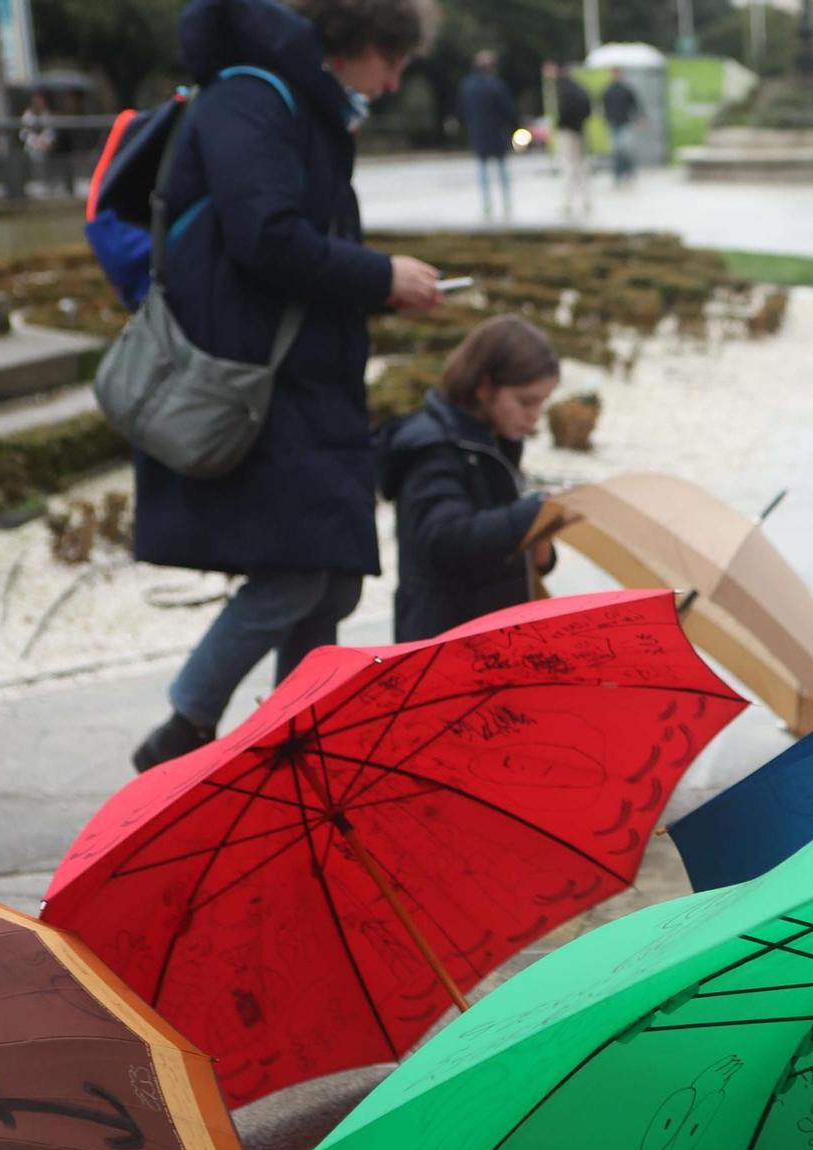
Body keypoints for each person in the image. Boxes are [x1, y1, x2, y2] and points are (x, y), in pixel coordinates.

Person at [131, 0, 443, 772]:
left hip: (302, 374)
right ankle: (185, 724)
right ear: (350, 42)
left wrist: (374, 281)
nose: (393, 83)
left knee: (332, 576)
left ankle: (300, 742)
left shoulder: (298, 102)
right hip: (260, 380)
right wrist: (379, 276)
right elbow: (266, 238)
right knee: (300, 568)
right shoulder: (253, 96)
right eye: (391, 62)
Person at [381, 316, 567, 640]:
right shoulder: (433, 447)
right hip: (442, 635)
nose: (535, 414)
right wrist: (527, 516)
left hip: (488, 630)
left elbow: (494, 538)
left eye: (542, 402)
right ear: (484, 387)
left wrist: (540, 551)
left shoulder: (496, 441)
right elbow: (441, 540)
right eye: (526, 401)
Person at [457, 50, 516, 220]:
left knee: (482, 169)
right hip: (497, 131)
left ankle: (487, 204)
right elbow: (508, 110)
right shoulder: (496, 85)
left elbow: (461, 110)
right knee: (502, 169)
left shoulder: (467, 86)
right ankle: (506, 202)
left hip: (478, 132)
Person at [546, 59, 593, 220]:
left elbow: (565, 111)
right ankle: (586, 200)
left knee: (567, 167)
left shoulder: (562, 88)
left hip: (567, 132)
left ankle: (567, 202)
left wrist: (562, 124)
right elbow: (587, 107)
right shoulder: (577, 86)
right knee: (580, 166)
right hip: (579, 131)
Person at [602, 67, 642, 186]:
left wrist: (639, 118)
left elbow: (635, 104)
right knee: (616, 150)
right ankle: (618, 174)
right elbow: (604, 106)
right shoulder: (607, 90)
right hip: (613, 123)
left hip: (625, 123)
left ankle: (629, 172)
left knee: (625, 149)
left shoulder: (626, 89)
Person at [19, 93, 55, 191]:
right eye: (36, 101)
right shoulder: (27, 115)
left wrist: (46, 142)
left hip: (45, 147)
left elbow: (50, 133)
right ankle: (35, 184)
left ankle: (46, 184)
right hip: (31, 148)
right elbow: (23, 135)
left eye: (41, 101)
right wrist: (36, 142)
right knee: (35, 156)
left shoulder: (46, 115)